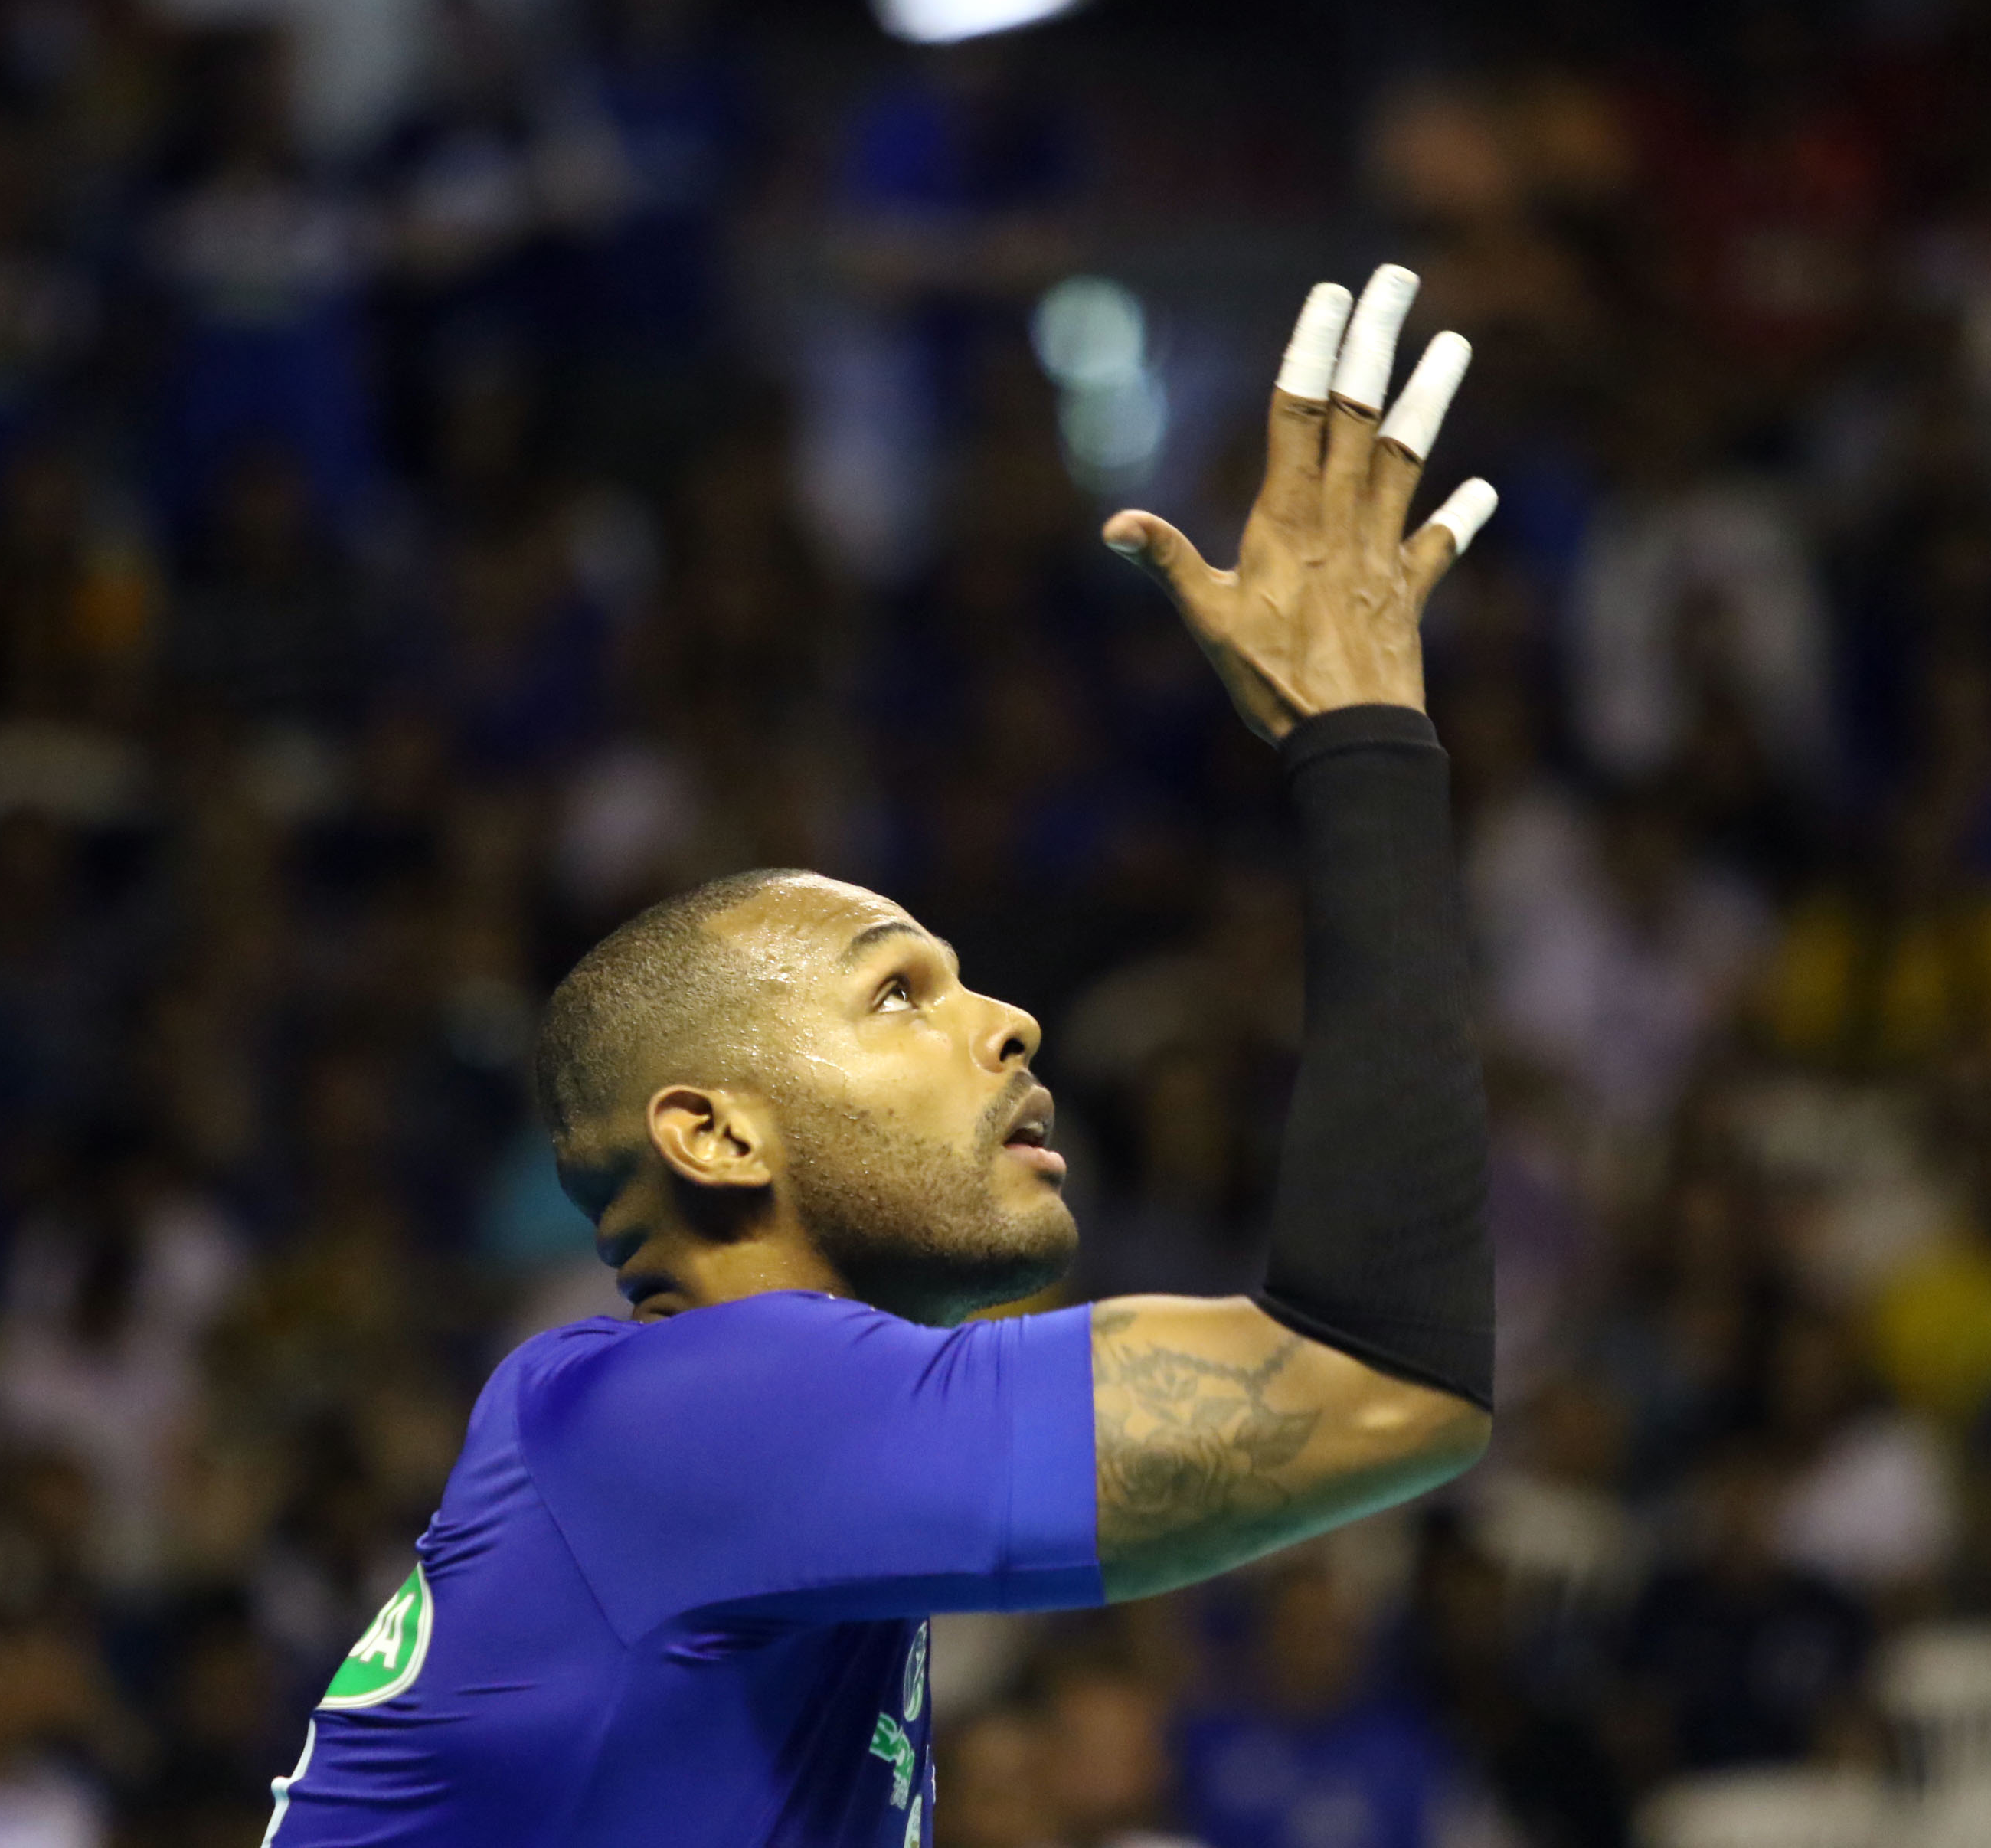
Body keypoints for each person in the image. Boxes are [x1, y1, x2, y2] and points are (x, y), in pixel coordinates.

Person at [262, 267, 1506, 1844]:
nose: (1008, 1022)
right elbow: (1382, 1378)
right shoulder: (701, 1411)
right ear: (716, 1136)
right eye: (900, 995)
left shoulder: (752, 1479)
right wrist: (1362, 739)